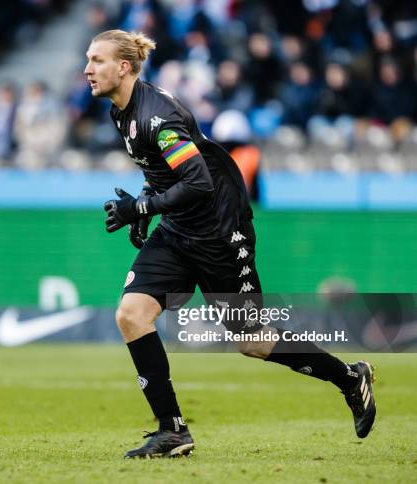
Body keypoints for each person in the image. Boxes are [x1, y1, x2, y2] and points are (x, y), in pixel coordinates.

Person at [84, 29, 376, 459]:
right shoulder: (121, 112)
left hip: (220, 233)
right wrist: (145, 209)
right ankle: (172, 430)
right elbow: (163, 171)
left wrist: (143, 208)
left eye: (97, 60)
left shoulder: (155, 118)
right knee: (132, 315)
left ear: (123, 67)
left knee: (252, 340)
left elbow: (199, 182)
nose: (87, 69)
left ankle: (350, 378)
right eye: (88, 60)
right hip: (179, 229)